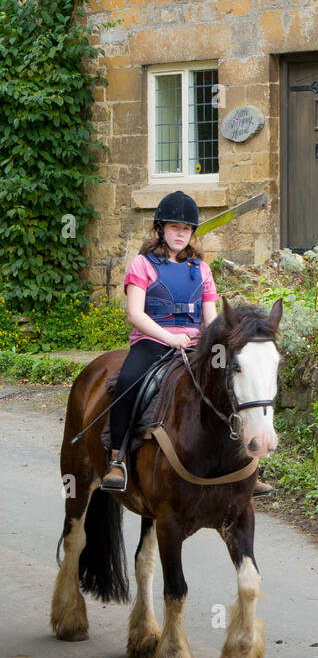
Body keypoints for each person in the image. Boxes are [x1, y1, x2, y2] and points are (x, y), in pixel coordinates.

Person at [99, 191, 272, 496]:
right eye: (174, 227)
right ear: (161, 229)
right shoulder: (142, 265)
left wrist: (209, 341)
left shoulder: (201, 270)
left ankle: (248, 465)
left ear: (192, 233)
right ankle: (117, 459)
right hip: (152, 342)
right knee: (127, 382)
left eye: (186, 229)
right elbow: (135, 314)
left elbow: (211, 319)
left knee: (231, 386)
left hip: (194, 344)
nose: (180, 234)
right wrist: (169, 337)